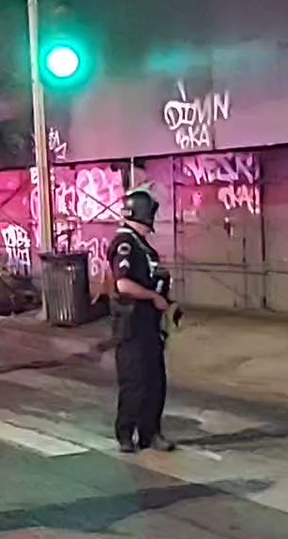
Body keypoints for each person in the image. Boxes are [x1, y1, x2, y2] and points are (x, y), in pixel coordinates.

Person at [108, 187, 177, 453]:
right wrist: (152, 297)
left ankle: (151, 433)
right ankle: (126, 433)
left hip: (150, 325)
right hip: (131, 325)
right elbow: (123, 284)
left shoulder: (142, 245)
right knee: (134, 381)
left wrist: (166, 302)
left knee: (155, 381)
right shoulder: (125, 243)